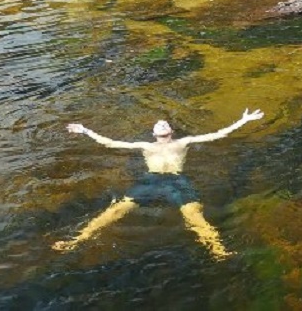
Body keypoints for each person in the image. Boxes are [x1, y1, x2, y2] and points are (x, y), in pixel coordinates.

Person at [52, 109, 264, 260]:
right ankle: (76, 241)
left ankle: (218, 250)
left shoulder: (184, 142)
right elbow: (110, 143)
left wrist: (243, 120)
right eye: (157, 125)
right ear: (154, 134)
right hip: (150, 181)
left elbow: (219, 134)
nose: (161, 123)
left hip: (177, 180)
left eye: (165, 123)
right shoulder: (145, 145)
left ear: (171, 131)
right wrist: (86, 131)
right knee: (116, 210)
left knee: (193, 215)